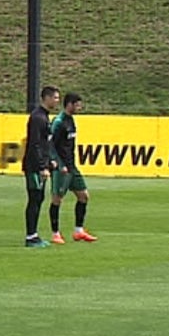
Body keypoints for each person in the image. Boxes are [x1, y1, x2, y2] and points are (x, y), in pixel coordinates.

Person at [47, 92, 98, 244]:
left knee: (83, 196)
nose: (79, 107)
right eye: (77, 104)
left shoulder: (71, 121)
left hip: (72, 166)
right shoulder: (59, 121)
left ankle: (78, 231)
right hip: (61, 167)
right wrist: (57, 163)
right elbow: (50, 144)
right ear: (69, 104)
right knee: (57, 199)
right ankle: (55, 233)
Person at [22, 86, 60, 248]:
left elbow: (44, 144)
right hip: (34, 167)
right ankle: (31, 236)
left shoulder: (43, 116)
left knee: (38, 198)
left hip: (39, 165)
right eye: (56, 98)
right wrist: (42, 166)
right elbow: (35, 144)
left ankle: (33, 234)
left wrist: (50, 161)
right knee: (35, 198)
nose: (57, 101)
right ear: (47, 98)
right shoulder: (38, 118)